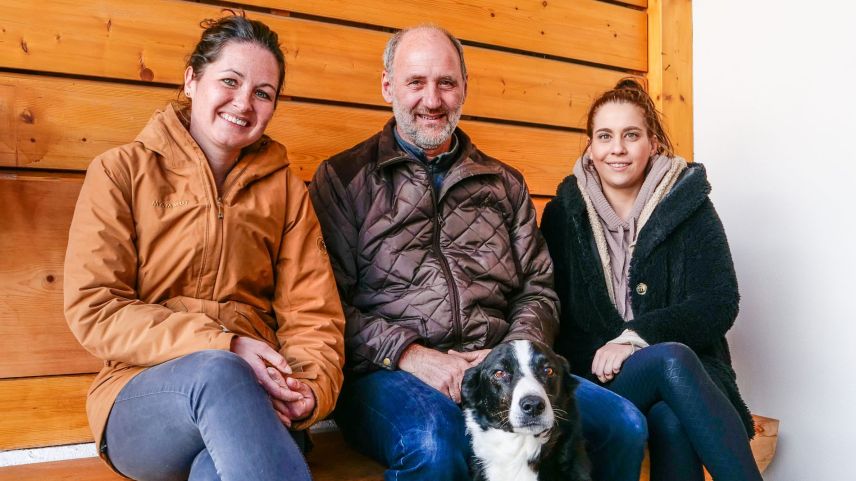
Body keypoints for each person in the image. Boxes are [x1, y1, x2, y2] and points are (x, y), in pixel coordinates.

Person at [309, 25, 646, 481]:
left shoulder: (504, 183)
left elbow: (538, 288)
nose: (433, 99)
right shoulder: (344, 178)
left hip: (502, 363)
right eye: (416, 82)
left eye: (446, 82)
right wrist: (411, 354)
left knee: (623, 425)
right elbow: (326, 306)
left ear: (464, 88)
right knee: (434, 443)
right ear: (388, 85)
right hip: (391, 373)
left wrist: (508, 355)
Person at [63, 14, 345, 481]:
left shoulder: (288, 194)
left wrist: (307, 390)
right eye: (229, 81)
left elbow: (313, 316)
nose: (244, 103)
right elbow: (96, 309)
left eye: (263, 93)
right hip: (142, 402)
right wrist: (226, 345)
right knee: (221, 373)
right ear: (192, 80)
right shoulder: (120, 173)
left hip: (261, 399)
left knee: (219, 471)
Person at [540, 78, 762, 481]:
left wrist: (634, 337)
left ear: (653, 143)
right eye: (605, 136)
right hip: (595, 379)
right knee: (670, 356)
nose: (617, 149)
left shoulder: (688, 204)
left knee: (671, 420)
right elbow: (552, 312)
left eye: (631, 135)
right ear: (590, 147)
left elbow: (719, 301)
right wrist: (608, 350)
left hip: (690, 381)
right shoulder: (562, 216)